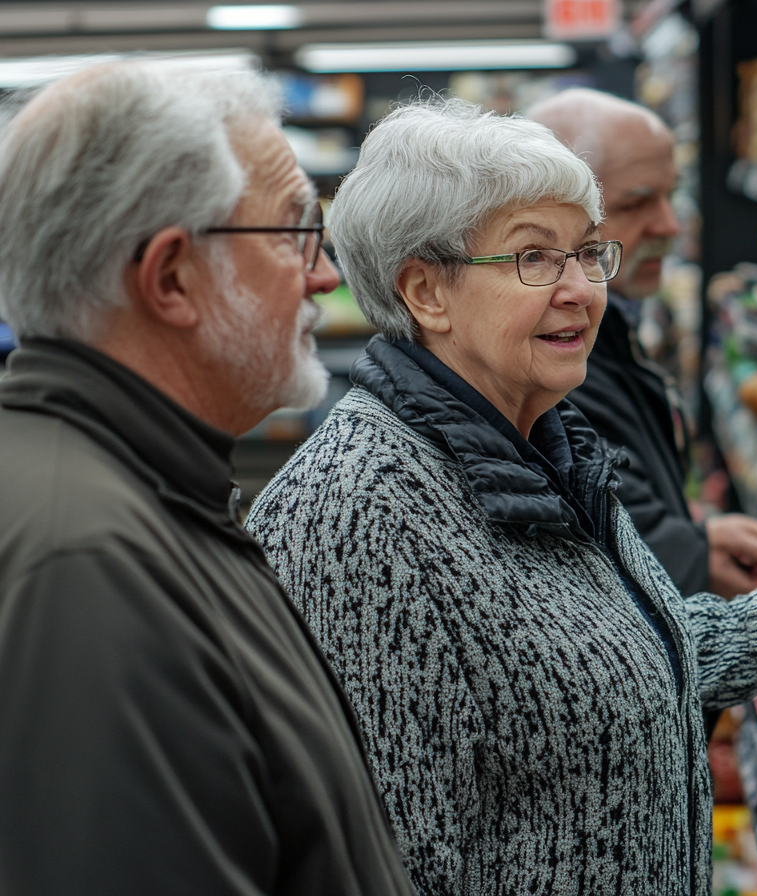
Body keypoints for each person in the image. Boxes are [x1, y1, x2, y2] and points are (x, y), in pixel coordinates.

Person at [245, 97, 757, 896]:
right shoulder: (355, 519)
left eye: (589, 253)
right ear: (426, 291)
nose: (582, 290)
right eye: (535, 258)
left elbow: (596, 679)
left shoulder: (545, 441)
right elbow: (382, 865)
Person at [0, 63, 414, 896]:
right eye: (295, 233)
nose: (325, 276)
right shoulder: (88, 567)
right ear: (171, 279)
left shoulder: (147, 493)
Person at [528, 88, 757, 599]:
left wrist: (693, 539)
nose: (670, 225)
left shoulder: (609, 324)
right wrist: (690, 555)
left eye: (671, 194)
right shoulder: (545, 351)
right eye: (636, 202)